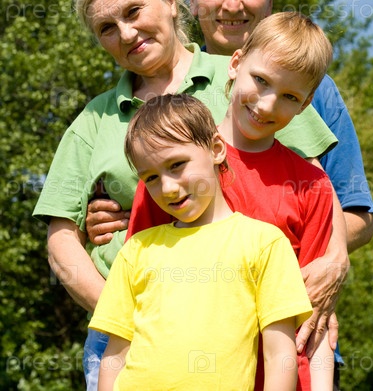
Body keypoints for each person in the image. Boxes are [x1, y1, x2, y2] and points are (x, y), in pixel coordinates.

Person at [32, 0, 336, 391]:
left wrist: (334, 262)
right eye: (106, 28)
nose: (126, 32)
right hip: (138, 337)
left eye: (133, 11)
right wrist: (134, 314)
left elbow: (316, 188)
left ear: (171, 1)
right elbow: (62, 238)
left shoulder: (254, 76)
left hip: (260, 327)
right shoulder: (92, 120)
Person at [127, 12, 341, 391]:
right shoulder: (172, 167)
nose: (267, 104)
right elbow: (137, 289)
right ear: (236, 64)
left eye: (290, 96)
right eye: (261, 80)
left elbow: (316, 317)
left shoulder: (312, 186)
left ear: (306, 104)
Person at [90, 93, 313, 391]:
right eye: (151, 178)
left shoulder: (265, 243)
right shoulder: (136, 250)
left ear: (216, 149)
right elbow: (115, 355)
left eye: (177, 164)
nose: (167, 187)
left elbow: (279, 355)